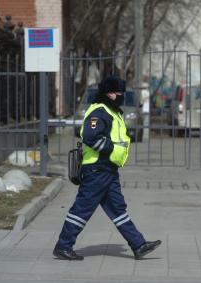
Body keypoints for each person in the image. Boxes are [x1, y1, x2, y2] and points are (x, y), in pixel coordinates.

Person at [53, 75, 161, 261]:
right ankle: (63, 246)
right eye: (118, 93)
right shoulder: (100, 111)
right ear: (109, 93)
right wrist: (111, 149)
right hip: (97, 168)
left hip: (108, 169)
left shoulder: (112, 111)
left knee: (118, 209)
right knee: (82, 209)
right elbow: (89, 136)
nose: (120, 96)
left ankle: (138, 245)